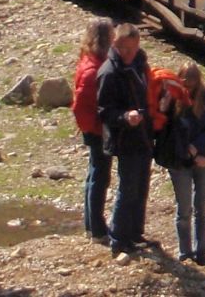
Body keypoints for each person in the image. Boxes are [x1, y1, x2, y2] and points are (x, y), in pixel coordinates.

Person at [97, 21, 155, 259]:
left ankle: (134, 233)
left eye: (133, 49)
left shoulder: (140, 65)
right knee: (127, 188)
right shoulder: (109, 72)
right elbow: (104, 111)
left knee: (141, 186)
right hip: (125, 138)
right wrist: (124, 116)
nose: (130, 54)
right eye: (125, 50)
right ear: (116, 45)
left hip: (142, 135)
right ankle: (119, 239)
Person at [160, 62, 205, 265]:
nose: (189, 89)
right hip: (179, 159)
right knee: (184, 208)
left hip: (203, 157)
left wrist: (197, 148)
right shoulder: (173, 96)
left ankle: (201, 251)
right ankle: (185, 252)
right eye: (186, 84)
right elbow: (168, 129)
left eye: (192, 85)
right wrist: (166, 100)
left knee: (201, 207)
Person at [71, 17, 114, 243]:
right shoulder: (94, 69)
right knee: (99, 176)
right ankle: (97, 229)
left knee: (94, 174)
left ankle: (91, 225)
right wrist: (95, 128)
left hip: (94, 128)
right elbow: (81, 105)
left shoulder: (88, 61)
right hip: (98, 130)